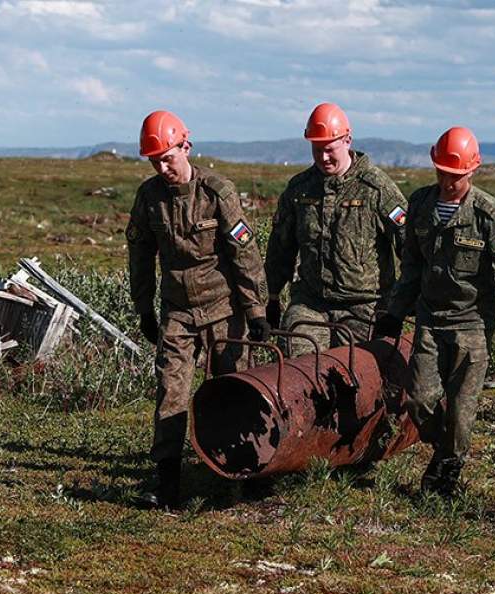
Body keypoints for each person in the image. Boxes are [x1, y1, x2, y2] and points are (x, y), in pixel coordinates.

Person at [373, 127, 495, 497]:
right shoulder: (420, 205)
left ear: (472, 170)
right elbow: (412, 267)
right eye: (442, 173)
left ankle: (446, 474)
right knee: (418, 399)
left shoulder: (488, 215)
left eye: (456, 175)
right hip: (431, 319)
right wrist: (395, 312)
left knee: (462, 411)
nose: (448, 181)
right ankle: (444, 448)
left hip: (473, 325)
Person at [126, 110, 270, 508]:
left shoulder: (216, 191)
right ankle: (167, 482)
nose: (162, 166)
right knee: (171, 393)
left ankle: (248, 474)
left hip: (224, 310)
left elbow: (245, 254)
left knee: (236, 391)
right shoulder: (149, 197)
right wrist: (144, 310)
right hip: (178, 311)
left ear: (185, 146)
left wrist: (256, 311)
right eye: (154, 160)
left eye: (167, 157)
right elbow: (139, 256)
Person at [264, 102, 406, 355]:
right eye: (316, 150)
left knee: (358, 375)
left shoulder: (376, 189)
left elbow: (410, 244)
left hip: (365, 305)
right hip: (311, 302)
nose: (323, 157)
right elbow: (280, 247)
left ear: (347, 141)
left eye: (329, 149)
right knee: (296, 368)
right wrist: (272, 296)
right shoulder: (300, 189)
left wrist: (402, 303)